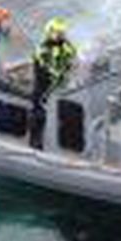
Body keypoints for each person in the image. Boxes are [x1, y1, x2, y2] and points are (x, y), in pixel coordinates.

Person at [28, 18, 78, 149]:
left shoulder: (67, 47)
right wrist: (59, 74)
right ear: (50, 33)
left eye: (62, 33)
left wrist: (70, 70)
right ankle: (35, 140)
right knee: (38, 114)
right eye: (58, 33)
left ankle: (61, 138)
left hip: (60, 86)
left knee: (61, 113)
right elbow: (45, 68)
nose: (61, 36)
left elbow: (73, 58)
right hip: (44, 86)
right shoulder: (42, 50)